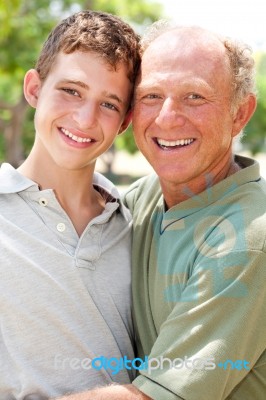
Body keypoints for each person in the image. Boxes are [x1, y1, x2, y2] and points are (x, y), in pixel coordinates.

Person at [58, 21, 266, 400]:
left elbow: (156, 396)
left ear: (240, 113)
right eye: (151, 96)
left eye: (195, 97)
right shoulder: (143, 198)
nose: (167, 118)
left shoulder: (250, 238)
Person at [0, 10, 141, 399]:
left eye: (109, 104)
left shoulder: (138, 227)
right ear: (33, 88)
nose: (84, 118)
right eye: (72, 91)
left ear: (125, 121)